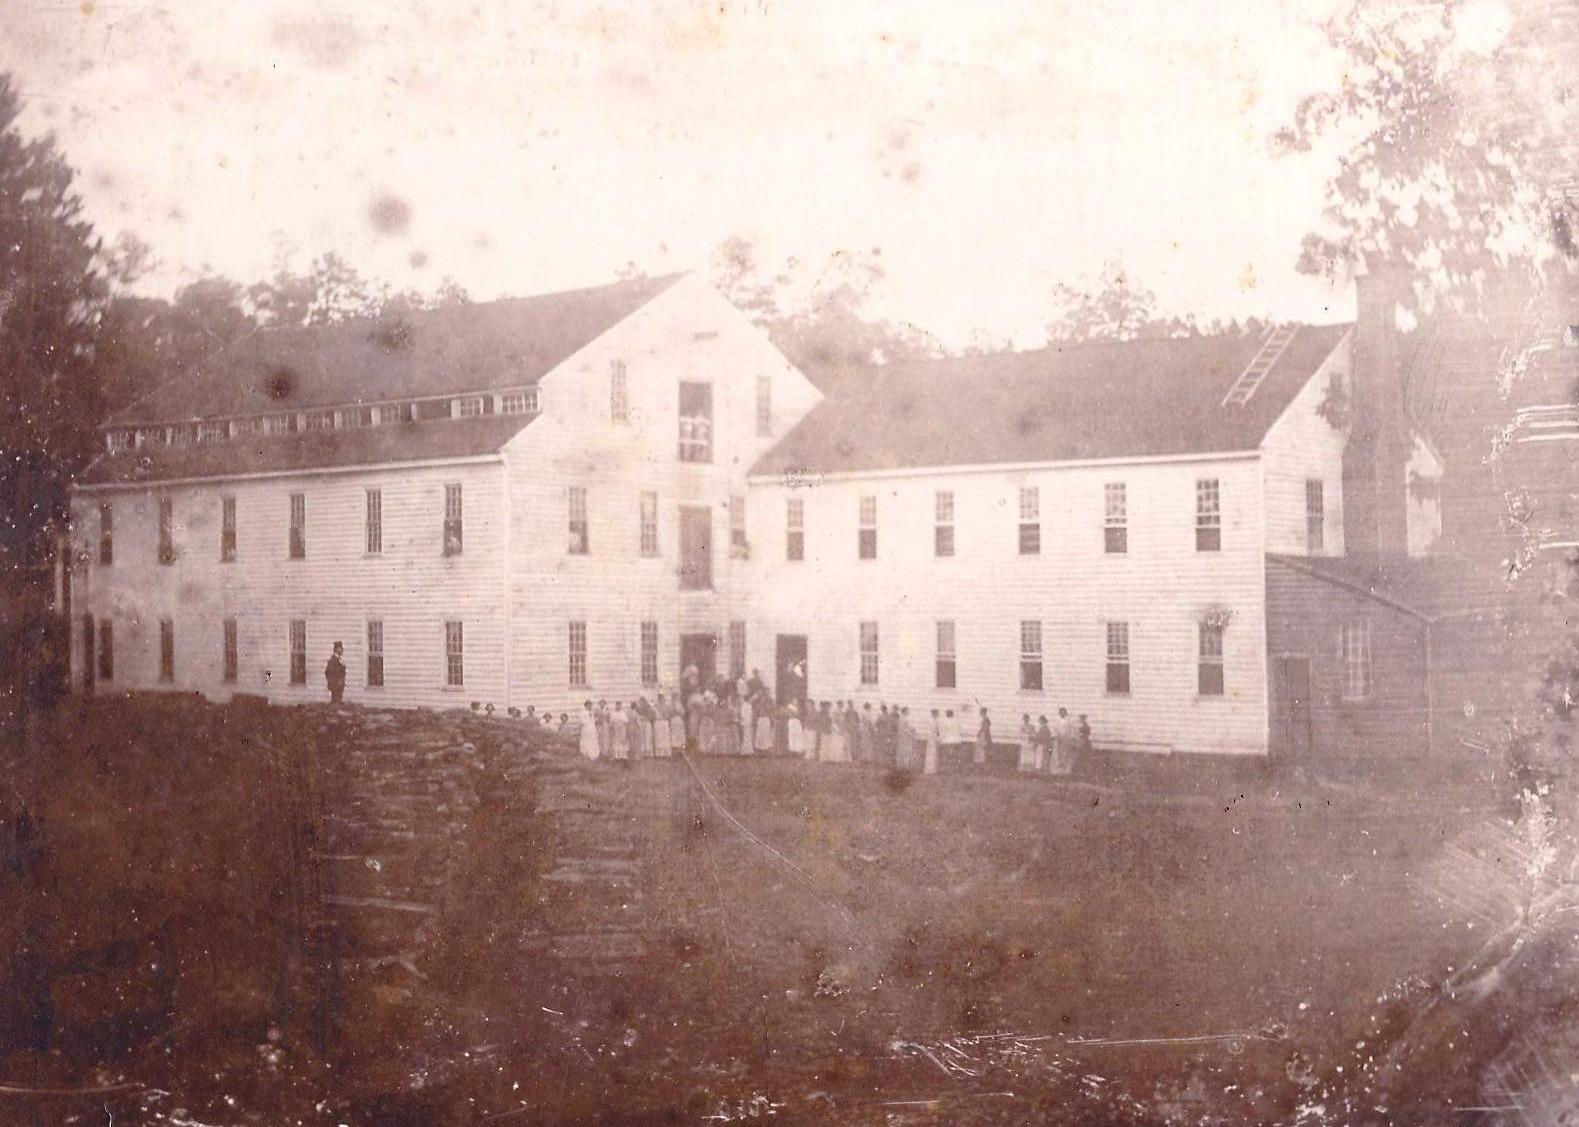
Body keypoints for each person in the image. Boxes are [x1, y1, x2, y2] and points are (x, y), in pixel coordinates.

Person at [925, 709, 941, 775]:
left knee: (934, 753)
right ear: (935, 714)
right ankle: (930, 769)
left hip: (934, 737)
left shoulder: (935, 721)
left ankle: (934, 769)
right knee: (931, 753)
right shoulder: (932, 721)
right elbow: (933, 730)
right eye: (938, 713)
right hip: (932, 737)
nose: (938, 715)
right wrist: (936, 737)